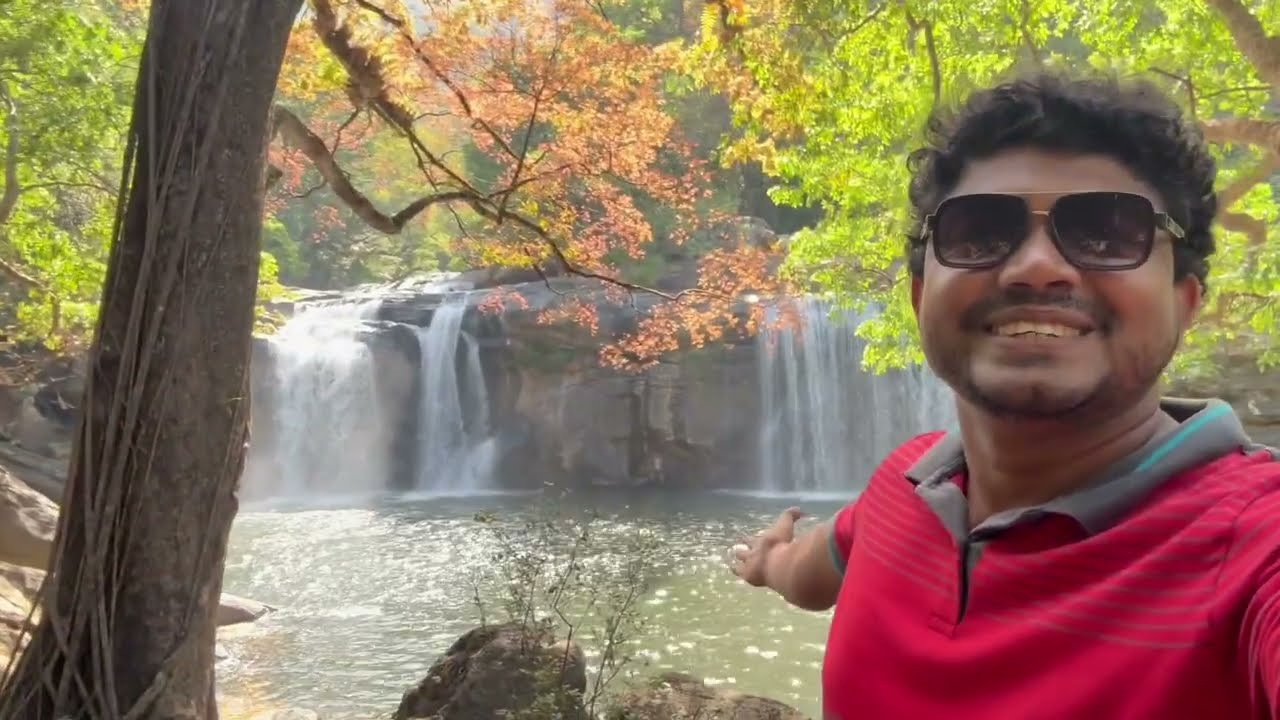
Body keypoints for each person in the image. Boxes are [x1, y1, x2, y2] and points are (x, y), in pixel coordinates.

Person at [730, 73, 1280, 720]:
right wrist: (768, 560)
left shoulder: (1250, 546)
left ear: (1184, 304)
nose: (1035, 266)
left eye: (1106, 233)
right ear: (918, 297)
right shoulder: (904, 487)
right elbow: (813, 566)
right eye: (979, 232)